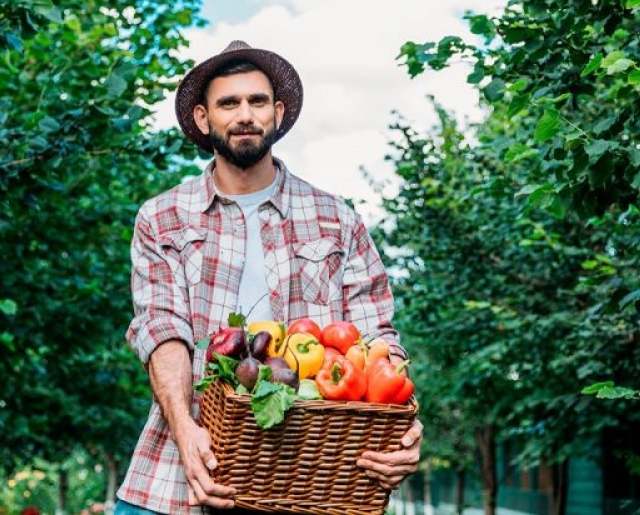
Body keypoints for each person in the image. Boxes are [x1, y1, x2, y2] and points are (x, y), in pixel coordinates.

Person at [115, 41, 423, 514]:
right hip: (179, 476)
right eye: (228, 103)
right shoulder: (164, 217)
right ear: (203, 118)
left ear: (277, 113)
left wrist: (400, 423)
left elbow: (375, 337)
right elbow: (162, 329)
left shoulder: (335, 220)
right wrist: (184, 429)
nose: (244, 114)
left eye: (257, 101)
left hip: (311, 479)